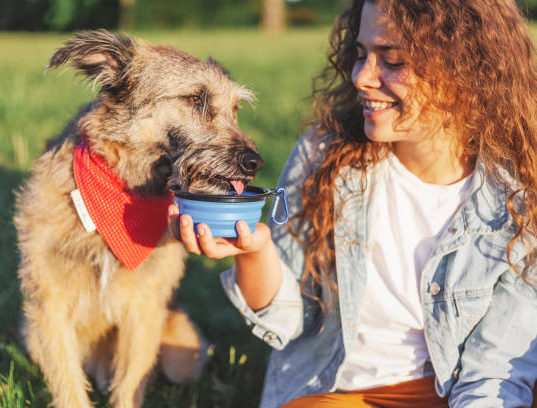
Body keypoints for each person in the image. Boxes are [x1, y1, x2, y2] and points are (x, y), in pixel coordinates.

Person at [168, 0, 537, 406]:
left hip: (456, 391)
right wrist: (254, 253)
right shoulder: (323, 156)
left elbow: (496, 370)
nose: (361, 77)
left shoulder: (518, 197)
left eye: (392, 61)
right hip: (344, 392)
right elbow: (291, 322)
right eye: (361, 55)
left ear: (466, 69)